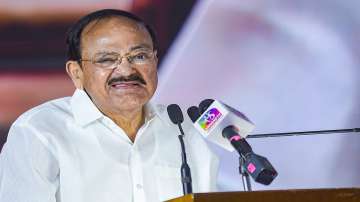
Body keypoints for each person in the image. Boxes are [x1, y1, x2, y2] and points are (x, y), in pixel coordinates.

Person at [0, 9, 219, 202]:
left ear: (155, 62)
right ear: (77, 73)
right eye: (106, 59)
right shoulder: (40, 131)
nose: (126, 70)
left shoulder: (182, 130)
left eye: (140, 56)